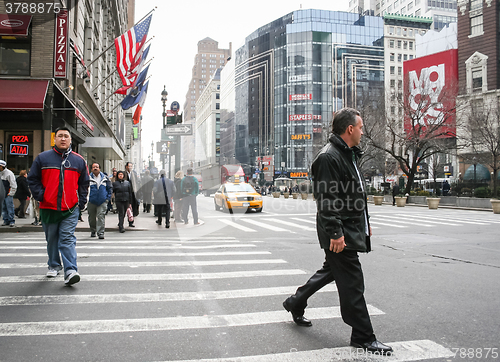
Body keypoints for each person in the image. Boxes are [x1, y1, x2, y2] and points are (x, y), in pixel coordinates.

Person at [282, 108, 393, 355]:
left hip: (348, 228)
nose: (363, 132)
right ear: (350, 129)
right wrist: (335, 233)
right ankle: (363, 336)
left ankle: (295, 302)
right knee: (353, 283)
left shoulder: (347, 155)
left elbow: (353, 196)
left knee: (331, 271)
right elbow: (327, 200)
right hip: (338, 232)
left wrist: (364, 225)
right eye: (361, 127)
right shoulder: (329, 158)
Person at [27, 127, 90, 285]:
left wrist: (81, 202)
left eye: (66, 136)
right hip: (48, 207)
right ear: (55, 138)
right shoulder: (43, 158)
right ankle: (54, 265)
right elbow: (32, 179)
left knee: (67, 239)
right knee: (52, 238)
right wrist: (41, 196)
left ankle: (70, 270)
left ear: (70, 140)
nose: (63, 139)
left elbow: (84, 183)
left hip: (70, 209)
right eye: (60, 136)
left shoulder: (79, 160)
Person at [88, 162, 112, 239]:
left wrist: (107, 198)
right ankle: (93, 230)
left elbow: (110, 189)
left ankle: (101, 233)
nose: (95, 168)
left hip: (102, 201)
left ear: (99, 169)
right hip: (91, 201)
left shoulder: (105, 178)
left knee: (101, 216)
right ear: (91, 169)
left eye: (97, 167)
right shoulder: (88, 178)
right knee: (92, 217)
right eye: (93, 167)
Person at [0, 160, 17, 227]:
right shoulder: (1, 173)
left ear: (2, 166)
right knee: (3, 208)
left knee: (9, 207)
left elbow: (13, 185)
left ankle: (11, 220)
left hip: (7, 194)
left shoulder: (9, 174)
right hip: (2, 194)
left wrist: (10, 193)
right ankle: (6, 220)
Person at [124, 162, 141, 227]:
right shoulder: (123, 173)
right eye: (129, 166)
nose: (130, 167)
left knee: (132, 208)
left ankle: (131, 221)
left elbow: (137, 183)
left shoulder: (134, 174)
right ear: (126, 167)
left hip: (133, 193)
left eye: (131, 166)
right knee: (124, 208)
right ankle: (121, 221)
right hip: (125, 192)